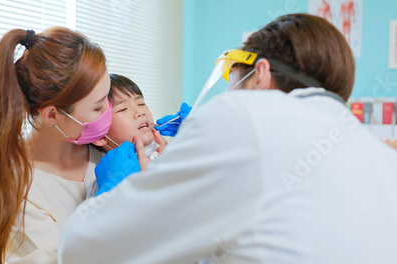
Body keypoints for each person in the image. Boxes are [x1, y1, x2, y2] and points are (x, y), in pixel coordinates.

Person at [58, 14, 397, 264]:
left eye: (233, 76)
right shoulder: (381, 158)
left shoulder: (245, 116)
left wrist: (126, 187)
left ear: (260, 73)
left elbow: (82, 249)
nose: (229, 89)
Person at [0, 27, 111, 264]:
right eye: (97, 108)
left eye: (108, 99)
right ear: (52, 115)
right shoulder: (21, 191)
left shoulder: (104, 147)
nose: (108, 113)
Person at [93, 73, 167, 195]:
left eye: (141, 103)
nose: (140, 112)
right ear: (101, 136)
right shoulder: (111, 180)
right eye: (122, 109)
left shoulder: (167, 151)